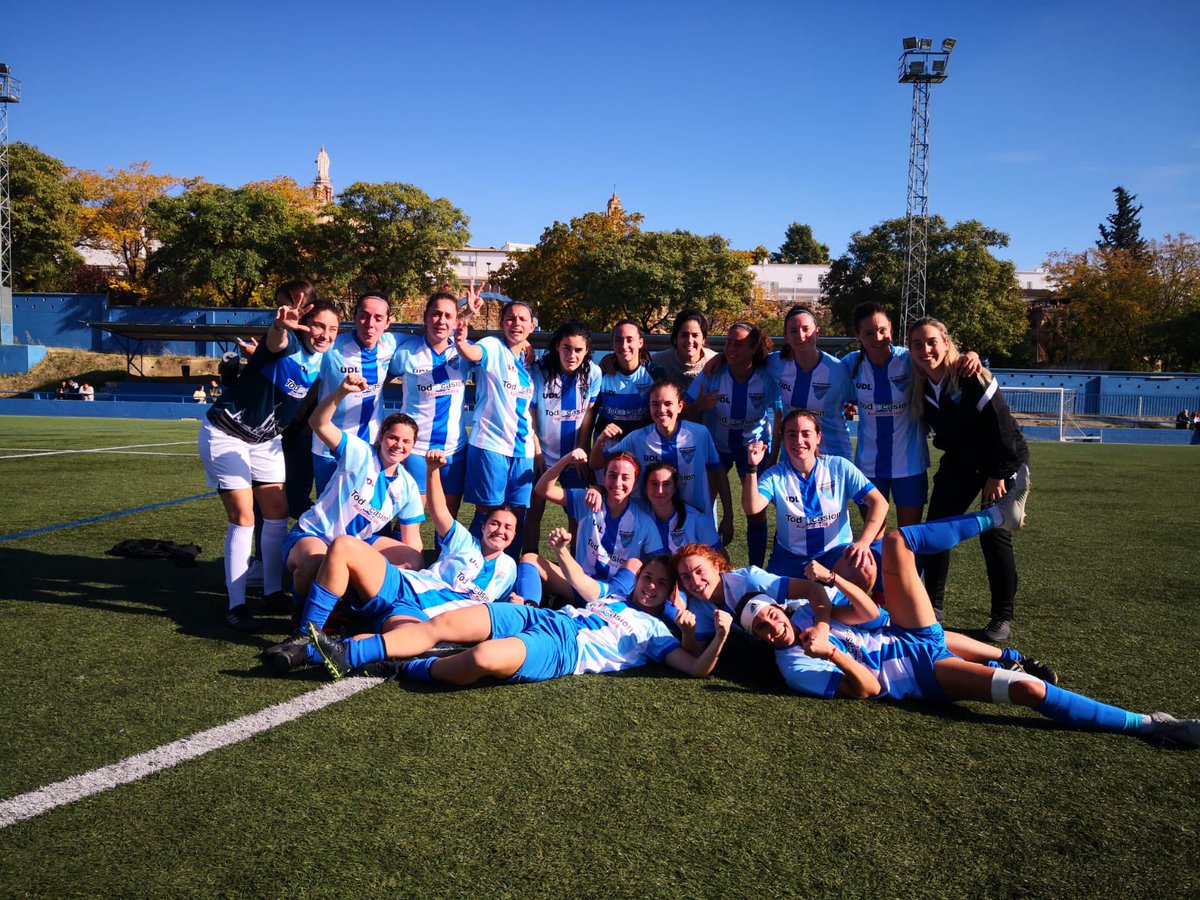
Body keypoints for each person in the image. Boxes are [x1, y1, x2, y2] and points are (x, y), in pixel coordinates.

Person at [736, 505, 1200, 749]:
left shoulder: (801, 613)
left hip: (910, 632)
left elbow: (871, 617)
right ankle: (1149, 724)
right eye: (762, 627)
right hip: (922, 675)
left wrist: (827, 591)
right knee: (1029, 693)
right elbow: (868, 688)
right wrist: (831, 652)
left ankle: (998, 515)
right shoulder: (794, 665)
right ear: (761, 640)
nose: (772, 623)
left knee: (897, 541)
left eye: (769, 614)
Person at [305, 526, 733, 687]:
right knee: (447, 625)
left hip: (565, 651)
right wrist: (562, 553)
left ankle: (409, 667)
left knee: (485, 657)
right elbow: (580, 582)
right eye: (646, 579)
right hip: (543, 616)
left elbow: (696, 668)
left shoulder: (656, 633)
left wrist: (718, 635)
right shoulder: (612, 596)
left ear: (669, 592)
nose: (651, 587)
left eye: (661, 584)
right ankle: (345, 653)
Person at [267, 448, 519, 673]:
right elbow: (439, 510)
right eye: (495, 523)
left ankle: (308, 654)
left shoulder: (509, 570)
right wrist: (432, 472)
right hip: (402, 585)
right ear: (483, 527)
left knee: (403, 644)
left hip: (417, 617)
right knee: (344, 545)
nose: (500, 530)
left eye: (508, 527)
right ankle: (304, 634)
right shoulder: (465, 542)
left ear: (514, 535)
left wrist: (519, 600)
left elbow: (506, 605)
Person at [197, 280, 339, 631]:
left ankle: (273, 592)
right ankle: (237, 603)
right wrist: (279, 325)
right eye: (319, 325)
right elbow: (275, 343)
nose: (324, 334)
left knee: (276, 514)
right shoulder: (287, 342)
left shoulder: (322, 358)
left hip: (266, 441)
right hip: (226, 433)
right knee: (244, 518)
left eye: (333, 328)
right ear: (306, 324)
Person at [908, 317, 1031, 641]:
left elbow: (1003, 427)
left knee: (995, 534)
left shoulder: (968, 374)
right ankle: (932, 607)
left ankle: (1002, 617)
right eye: (917, 344)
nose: (925, 349)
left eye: (932, 341)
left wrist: (998, 475)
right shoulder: (920, 383)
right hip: (961, 463)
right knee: (936, 529)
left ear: (946, 343)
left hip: (1001, 459)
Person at [283, 373, 425, 618]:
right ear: (381, 437)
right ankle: (302, 606)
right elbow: (319, 423)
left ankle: (359, 604)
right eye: (392, 437)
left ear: (413, 446)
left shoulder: (408, 485)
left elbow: (412, 541)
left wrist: (412, 578)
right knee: (316, 563)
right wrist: (342, 392)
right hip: (315, 534)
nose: (398, 445)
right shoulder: (359, 452)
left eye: (406, 441)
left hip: (357, 543)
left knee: (413, 560)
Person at [743, 409, 887, 585]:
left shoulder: (839, 467)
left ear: (818, 437)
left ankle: (848, 609)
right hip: (791, 556)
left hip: (835, 554)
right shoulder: (775, 476)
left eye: (806, 434)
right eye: (791, 434)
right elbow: (752, 508)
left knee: (863, 567)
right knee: (770, 603)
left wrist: (864, 542)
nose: (799, 441)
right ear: (783, 438)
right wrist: (752, 466)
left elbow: (879, 502)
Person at [590, 378, 732, 544]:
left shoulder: (699, 434)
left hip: (696, 522)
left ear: (680, 406)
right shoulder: (638, 438)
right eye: (655, 404)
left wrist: (728, 515)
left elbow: (719, 473)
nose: (661, 409)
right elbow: (596, 464)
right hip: (652, 523)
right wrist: (600, 440)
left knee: (702, 566)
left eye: (668, 403)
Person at [686, 322, 780, 567]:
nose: (730, 348)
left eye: (738, 343)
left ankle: (756, 570)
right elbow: (683, 408)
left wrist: (773, 455)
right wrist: (699, 406)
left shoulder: (767, 377)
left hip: (754, 450)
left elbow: (780, 414)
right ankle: (707, 565)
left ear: (753, 348)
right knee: (703, 506)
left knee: (756, 512)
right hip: (718, 448)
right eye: (727, 342)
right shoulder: (713, 373)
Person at [516, 449, 658, 606]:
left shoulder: (644, 521)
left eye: (625, 478)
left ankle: (602, 607)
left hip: (614, 594)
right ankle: (529, 608)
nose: (618, 483)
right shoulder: (587, 501)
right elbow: (542, 489)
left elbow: (659, 563)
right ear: (604, 477)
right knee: (530, 559)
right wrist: (565, 460)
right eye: (612, 475)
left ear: (635, 481)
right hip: (578, 583)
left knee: (635, 564)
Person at [456, 291, 539, 555]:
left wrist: (536, 448)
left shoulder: (530, 362)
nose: (516, 324)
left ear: (532, 326)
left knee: (517, 516)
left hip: (522, 451)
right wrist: (466, 317)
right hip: (490, 445)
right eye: (510, 319)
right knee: (488, 515)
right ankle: (469, 570)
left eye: (522, 319)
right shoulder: (492, 347)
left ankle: (509, 574)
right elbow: (467, 349)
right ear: (502, 323)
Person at [387, 290, 472, 517]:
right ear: (425, 316)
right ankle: (400, 552)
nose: (441, 321)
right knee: (410, 514)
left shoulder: (465, 350)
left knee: (447, 515)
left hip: (455, 448)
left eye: (447, 316)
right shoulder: (406, 352)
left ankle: (443, 554)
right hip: (416, 448)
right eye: (436, 314)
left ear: (455, 321)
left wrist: (526, 347)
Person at [310, 292, 398, 497]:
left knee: (368, 512)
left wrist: (463, 318)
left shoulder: (392, 344)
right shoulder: (331, 348)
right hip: (327, 447)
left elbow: (430, 338)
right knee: (330, 513)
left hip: (370, 447)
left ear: (387, 322)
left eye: (378, 318)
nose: (370, 324)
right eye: (364, 316)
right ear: (354, 316)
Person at [526, 320, 602, 545]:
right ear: (557, 346)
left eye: (579, 350)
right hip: (542, 454)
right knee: (533, 512)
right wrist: (537, 451)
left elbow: (588, 415)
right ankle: (530, 560)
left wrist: (582, 451)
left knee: (577, 517)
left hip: (574, 457)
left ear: (587, 351)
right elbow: (529, 415)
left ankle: (576, 570)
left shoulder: (593, 373)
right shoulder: (539, 371)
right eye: (567, 348)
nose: (572, 355)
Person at [766, 305, 853, 460]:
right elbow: (748, 357)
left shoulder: (838, 370)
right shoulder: (776, 364)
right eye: (793, 331)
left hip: (832, 457)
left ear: (817, 332)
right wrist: (720, 357)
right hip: (792, 456)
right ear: (786, 336)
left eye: (806, 329)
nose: (800, 335)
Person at [638, 460, 722, 556]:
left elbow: (722, 560)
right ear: (645, 488)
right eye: (654, 484)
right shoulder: (639, 517)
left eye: (666, 484)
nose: (660, 490)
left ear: (674, 488)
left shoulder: (697, 520)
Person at [591, 319, 655, 439]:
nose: (624, 346)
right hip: (607, 446)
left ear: (640, 342)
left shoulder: (653, 373)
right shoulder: (602, 373)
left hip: (641, 445)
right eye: (618, 340)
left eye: (630, 340)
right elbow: (590, 414)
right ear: (612, 344)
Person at [648, 308, 718, 391]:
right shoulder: (658, 362)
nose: (689, 341)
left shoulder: (716, 362)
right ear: (675, 339)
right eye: (684, 335)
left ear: (703, 340)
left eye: (695, 335)